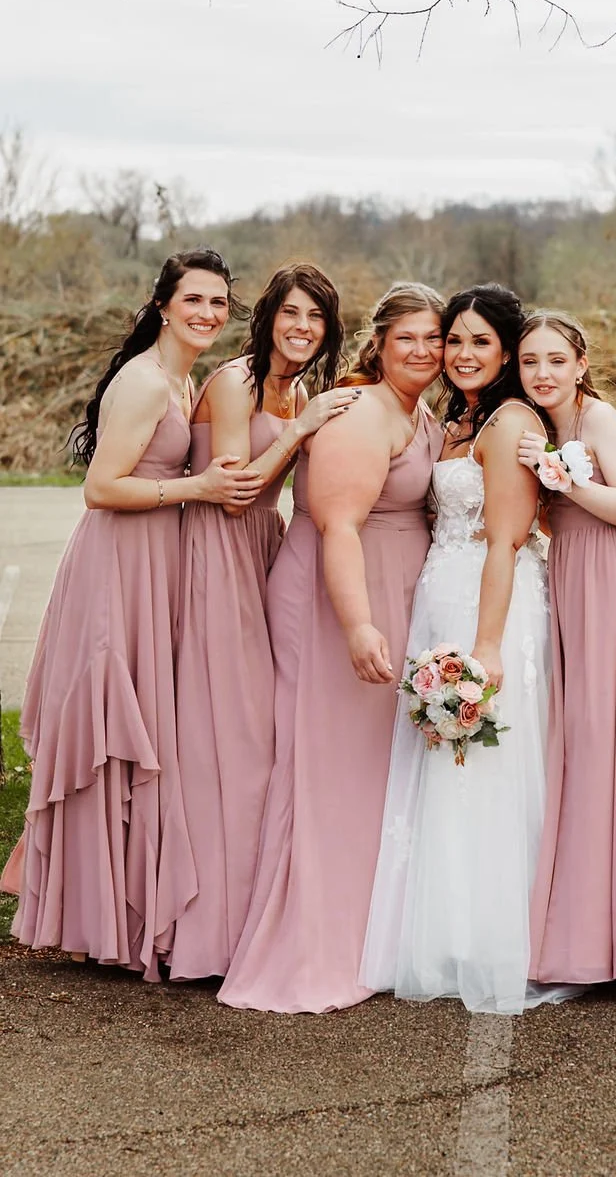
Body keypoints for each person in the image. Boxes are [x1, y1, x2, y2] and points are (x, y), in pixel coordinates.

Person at [12, 250, 260, 979]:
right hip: (117, 565)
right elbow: (100, 487)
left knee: (143, 725)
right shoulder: (147, 381)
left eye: (219, 303)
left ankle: (116, 907)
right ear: (162, 304)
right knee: (112, 728)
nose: (208, 313)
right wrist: (199, 488)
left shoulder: (181, 378)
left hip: (151, 562)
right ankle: (94, 913)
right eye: (195, 299)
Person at [218, 283, 445, 1013]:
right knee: (330, 765)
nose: (425, 350)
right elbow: (339, 526)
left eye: (435, 337)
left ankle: (375, 930)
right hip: (339, 596)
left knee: (374, 768)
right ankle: (319, 941)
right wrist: (357, 623)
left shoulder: (422, 411)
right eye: (408, 336)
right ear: (378, 341)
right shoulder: (358, 412)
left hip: (389, 589)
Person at [362, 284, 567, 1015]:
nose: (461, 353)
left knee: (483, 765)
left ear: (506, 351)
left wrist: (486, 648)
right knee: (443, 769)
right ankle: (439, 930)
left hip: (489, 606)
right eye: (455, 340)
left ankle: (487, 938)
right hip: (440, 598)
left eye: (480, 341)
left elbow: (508, 540)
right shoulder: (461, 418)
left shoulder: (511, 421)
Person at [169, 263, 357, 980]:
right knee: (229, 744)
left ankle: (248, 920)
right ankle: (202, 934)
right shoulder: (235, 382)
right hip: (217, 554)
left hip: (262, 556)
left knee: (258, 746)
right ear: (269, 318)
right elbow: (235, 489)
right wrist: (301, 430)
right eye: (292, 314)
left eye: (316, 318)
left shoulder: (300, 389)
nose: (303, 328)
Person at [517, 310, 616, 987]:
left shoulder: (598, 419)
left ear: (581, 364)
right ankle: (581, 925)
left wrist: (564, 480)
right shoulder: (543, 425)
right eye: (529, 362)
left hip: (612, 580)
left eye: (555, 360)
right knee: (578, 745)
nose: (542, 373)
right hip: (570, 575)